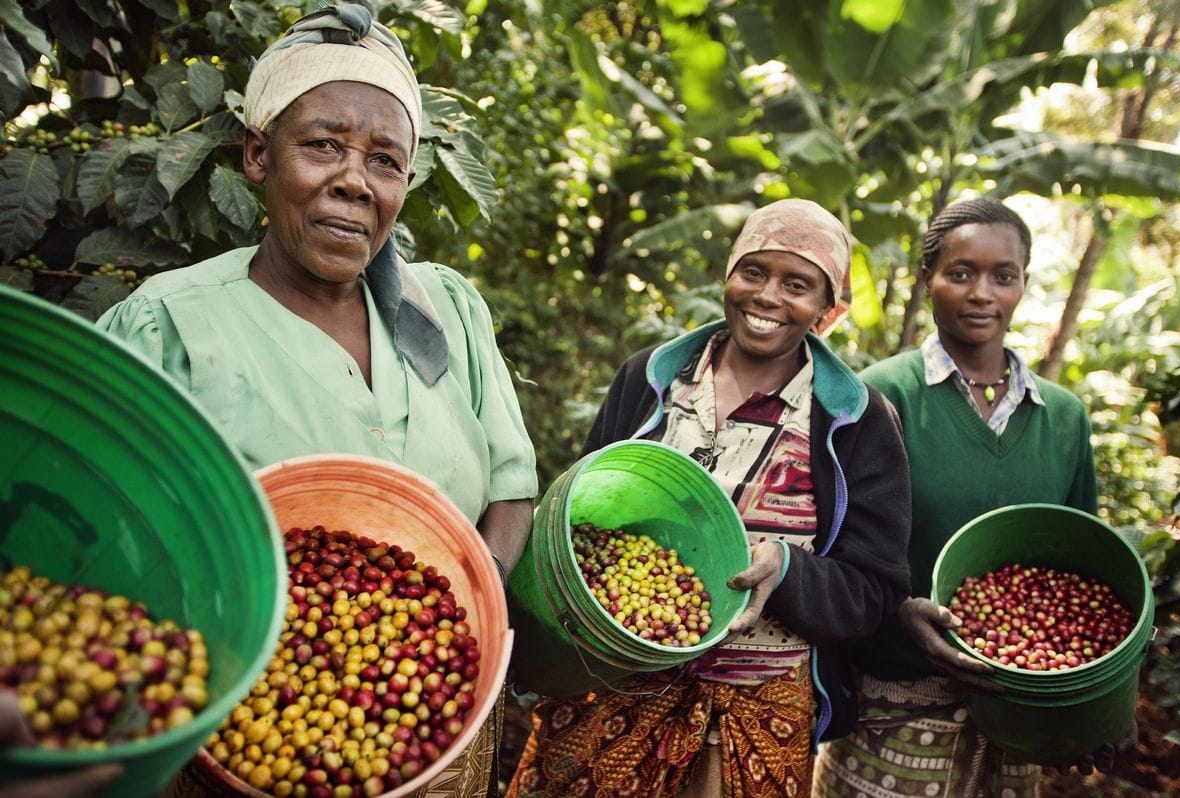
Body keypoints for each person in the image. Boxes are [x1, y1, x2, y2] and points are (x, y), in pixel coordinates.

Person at [97, 6, 537, 795]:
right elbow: (102, 538)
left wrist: (476, 603)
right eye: (323, 145)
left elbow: (510, 486)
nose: (354, 181)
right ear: (258, 154)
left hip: (438, 723)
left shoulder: (446, 307)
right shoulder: (169, 324)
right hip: (244, 727)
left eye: (385, 161)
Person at [505, 199, 912, 797]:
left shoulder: (856, 419)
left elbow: (876, 590)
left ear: (827, 310)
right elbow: (580, 513)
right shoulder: (651, 380)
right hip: (614, 681)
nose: (767, 296)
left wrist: (787, 570)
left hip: (755, 706)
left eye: (797, 285)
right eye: (753, 272)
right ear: (728, 274)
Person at [812, 197, 1105, 797]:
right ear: (928, 280)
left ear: (1023, 284)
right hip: (894, 703)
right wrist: (898, 614)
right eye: (961, 273)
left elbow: (1086, 570)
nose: (981, 294)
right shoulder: (880, 396)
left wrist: (1092, 704)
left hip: (1021, 709)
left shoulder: (1064, 418)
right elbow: (832, 551)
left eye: (1004, 276)